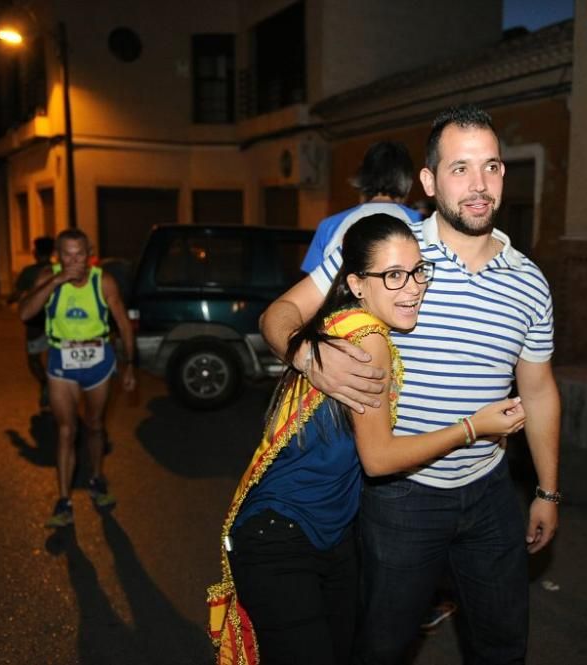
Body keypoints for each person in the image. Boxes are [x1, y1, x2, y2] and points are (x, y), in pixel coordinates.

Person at [260, 105, 561, 664]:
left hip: (490, 488)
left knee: (502, 644)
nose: (479, 186)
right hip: (399, 495)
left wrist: (546, 489)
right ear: (428, 180)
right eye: (460, 168)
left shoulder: (530, 281)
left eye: (491, 167)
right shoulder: (386, 251)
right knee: (382, 645)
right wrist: (307, 356)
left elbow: (539, 388)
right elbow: (279, 314)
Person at [208, 214, 526, 665]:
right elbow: (377, 459)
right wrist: (473, 427)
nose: (413, 287)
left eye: (418, 271)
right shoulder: (369, 338)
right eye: (394, 276)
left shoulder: (339, 322)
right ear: (357, 284)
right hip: (281, 536)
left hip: (330, 535)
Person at [18, 229, 136, 527]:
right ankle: (63, 500)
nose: (74, 260)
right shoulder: (48, 276)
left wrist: (131, 365)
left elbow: (122, 322)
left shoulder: (103, 280)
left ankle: (96, 478)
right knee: (66, 430)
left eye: (79, 254)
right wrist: (55, 281)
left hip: (99, 359)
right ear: (58, 255)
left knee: (95, 426)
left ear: (90, 253)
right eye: (67, 254)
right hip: (62, 361)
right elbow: (25, 313)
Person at [300, 141, 421, 273]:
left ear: (363, 176)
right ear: (408, 182)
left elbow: (310, 283)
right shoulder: (422, 222)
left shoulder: (330, 225)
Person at [7, 236, 55, 409]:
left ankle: (44, 383)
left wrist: (10, 299)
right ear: (53, 252)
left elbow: (18, 293)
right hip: (56, 320)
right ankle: (54, 385)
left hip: (36, 320)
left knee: (33, 358)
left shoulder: (29, 272)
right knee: (54, 356)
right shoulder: (58, 270)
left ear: (35, 252)